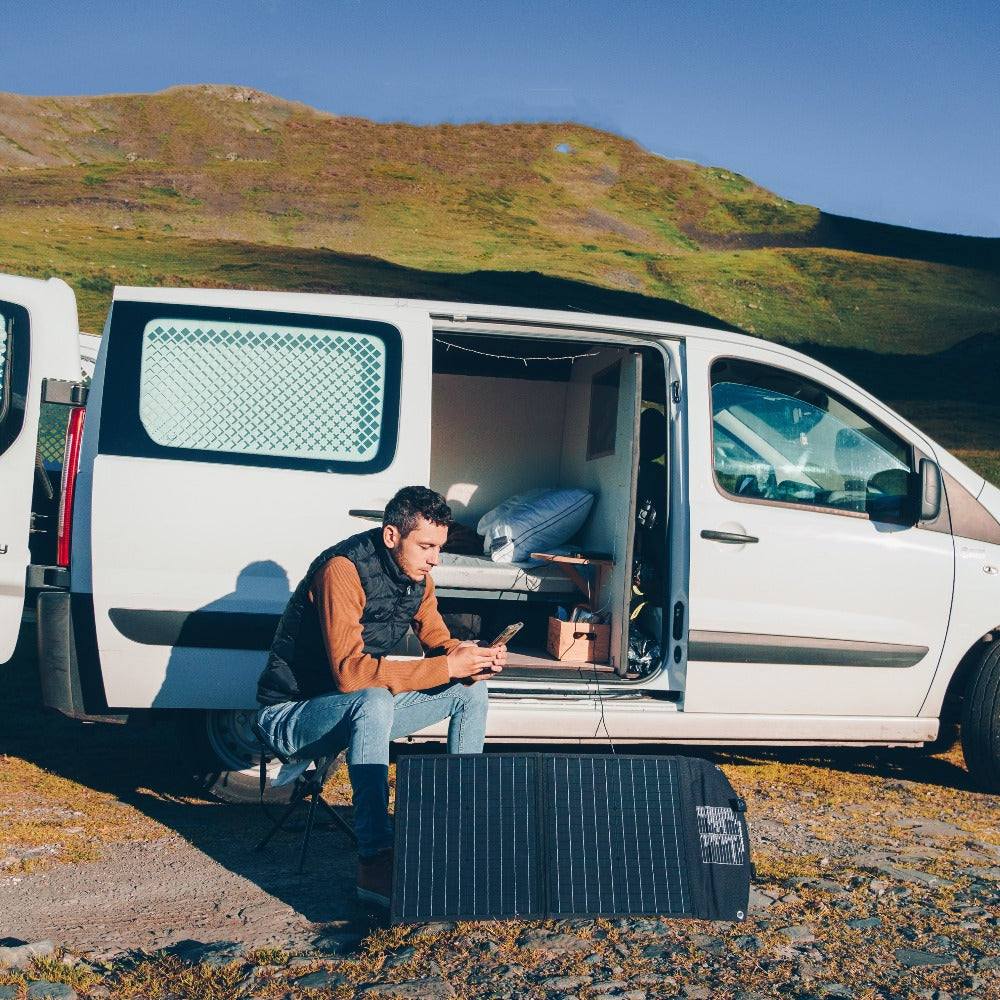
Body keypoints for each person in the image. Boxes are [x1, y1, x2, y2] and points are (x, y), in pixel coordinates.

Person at [254, 486, 505, 907]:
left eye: (439, 548)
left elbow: (438, 642)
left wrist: (469, 658)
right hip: (289, 715)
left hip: (349, 711)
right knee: (373, 699)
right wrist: (446, 667)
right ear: (392, 536)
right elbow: (351, 675)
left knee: (470, 693)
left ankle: (459, 837)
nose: (434, 559)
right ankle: (376, 859)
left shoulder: (417, 579)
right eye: (425, 546)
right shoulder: (342, 570)